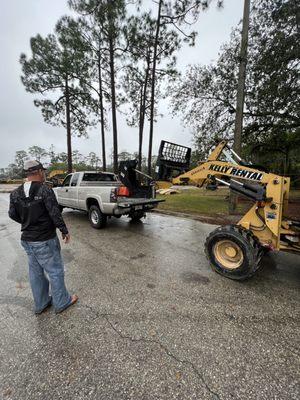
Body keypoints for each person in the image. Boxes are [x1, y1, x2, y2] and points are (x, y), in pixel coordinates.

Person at [8, 160, 78, 314]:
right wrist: (64, 230)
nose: (45, 174)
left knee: (36, 272)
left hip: (27, 240)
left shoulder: (15, 193)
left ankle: (41, 303)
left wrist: (27, 221)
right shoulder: (45, 190)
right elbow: (54, 213)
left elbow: (12, 214)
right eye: (43, 172)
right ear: (39, 172)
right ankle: (61, 302)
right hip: (44, 239)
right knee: (55, 271)